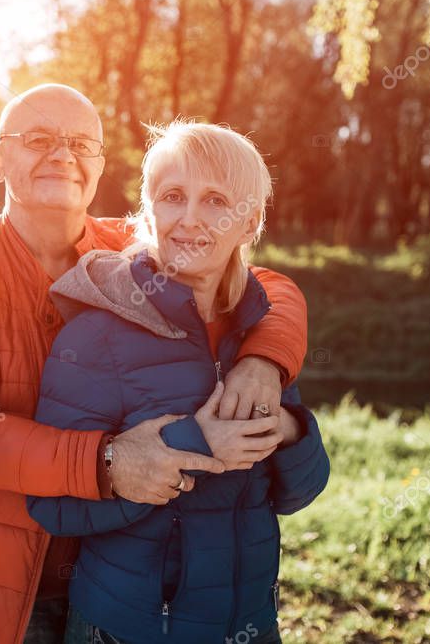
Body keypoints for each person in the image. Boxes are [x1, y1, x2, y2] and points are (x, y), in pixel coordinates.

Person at [0, 85, 310, 643]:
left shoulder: (132, 245)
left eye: (80, 144)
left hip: (116, 573)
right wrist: (107, 461)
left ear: (98, 164)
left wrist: (264, 361)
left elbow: (267, 287)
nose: (62, 155)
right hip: (0, 579)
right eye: (38, 139)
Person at [26, 121, 329, 643]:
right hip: (127, 631)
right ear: (149, 210)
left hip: (250, 625)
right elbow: (51, 505)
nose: (189, 219)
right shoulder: (97, 335)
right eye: (172, 197)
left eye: (215, 201)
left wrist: (287, 429)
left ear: (250, 221)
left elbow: (299, 492)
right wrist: (193, 442)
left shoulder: (257, 334)